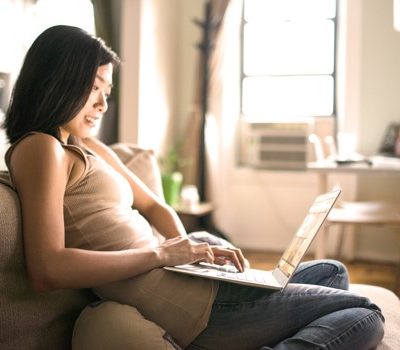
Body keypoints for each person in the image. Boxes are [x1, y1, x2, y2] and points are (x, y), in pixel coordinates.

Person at [3, 25, 384, 350]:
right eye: (94, 87)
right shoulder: (41, 148)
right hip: (183, 307)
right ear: (59, 80)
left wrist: (190, 255)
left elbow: (155, 207)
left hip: (187, 279)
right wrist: (160, 255)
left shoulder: (87, 146)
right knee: (366, 314)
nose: (104, 103)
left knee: (332, 271)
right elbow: (47, 268)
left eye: (108, 90)